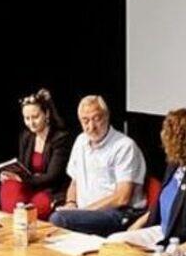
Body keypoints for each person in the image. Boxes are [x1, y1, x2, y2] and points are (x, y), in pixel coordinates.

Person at [110, 107, 186, 256]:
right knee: (113, 243)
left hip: (179, 242)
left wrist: (176, 252)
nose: (162, 136)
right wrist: (136, 227)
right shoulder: (175, 165)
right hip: (161, 232)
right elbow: (160, 203)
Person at [49, 95, 147, 237]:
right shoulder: (80, 141)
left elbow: (122, 197)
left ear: (107, 117)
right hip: (87, 212)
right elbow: (75, 182)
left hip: (118, 213)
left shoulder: (124, 146)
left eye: (96, 119)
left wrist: (84, 213)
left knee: (59, 219)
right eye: (85, 121)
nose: (91, 127)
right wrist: (71, 203)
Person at [0, 89, 72, 219]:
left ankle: (20, 225)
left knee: (29, 212)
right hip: (30, 184)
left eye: (35, 117)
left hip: (50, 190)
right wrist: (11, 174)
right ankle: (12, 227)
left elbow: (53, 177)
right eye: (27, 118)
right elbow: (23, 167)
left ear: (46, 114)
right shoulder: (26, 136)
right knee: (8, 185)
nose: (31, 123)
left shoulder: (60, 138)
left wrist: (24, 179)